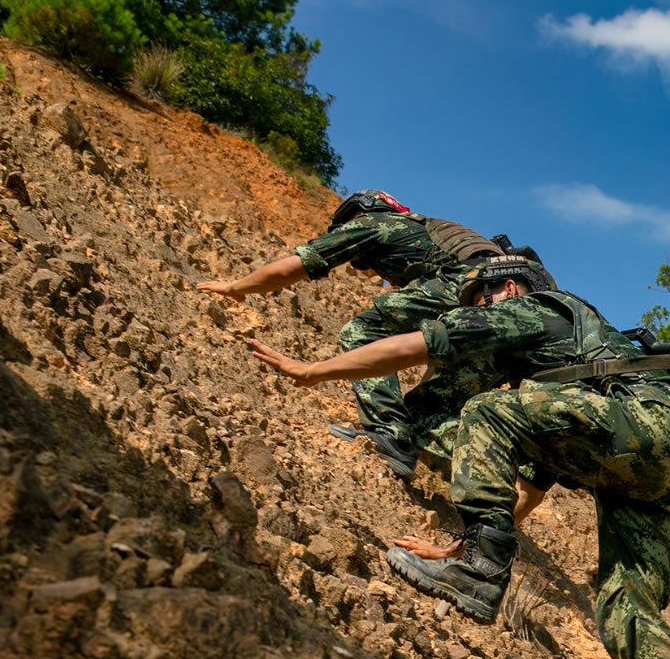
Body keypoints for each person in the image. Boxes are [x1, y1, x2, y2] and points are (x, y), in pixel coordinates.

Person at [244, 253, 670, 659]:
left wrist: (312, 371)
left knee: (486, 408)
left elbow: (422, 344)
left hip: (649, 428)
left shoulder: (535, 308)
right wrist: (456, 545)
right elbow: (524, 491)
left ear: (505, 287)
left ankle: (480, 570)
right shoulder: (577, 370)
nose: (477, 311)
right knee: (625, 609)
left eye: (479, 300)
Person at [198, 189, 506, 480]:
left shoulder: (373, 223)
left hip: (475, 283)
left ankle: (389, 433)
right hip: (514, 314)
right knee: (423, 415)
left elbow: (296, 266)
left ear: (358, 213)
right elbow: (440, 346)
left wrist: (235, 287)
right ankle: (506, 461)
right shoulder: (431, 237)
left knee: (363, 332)